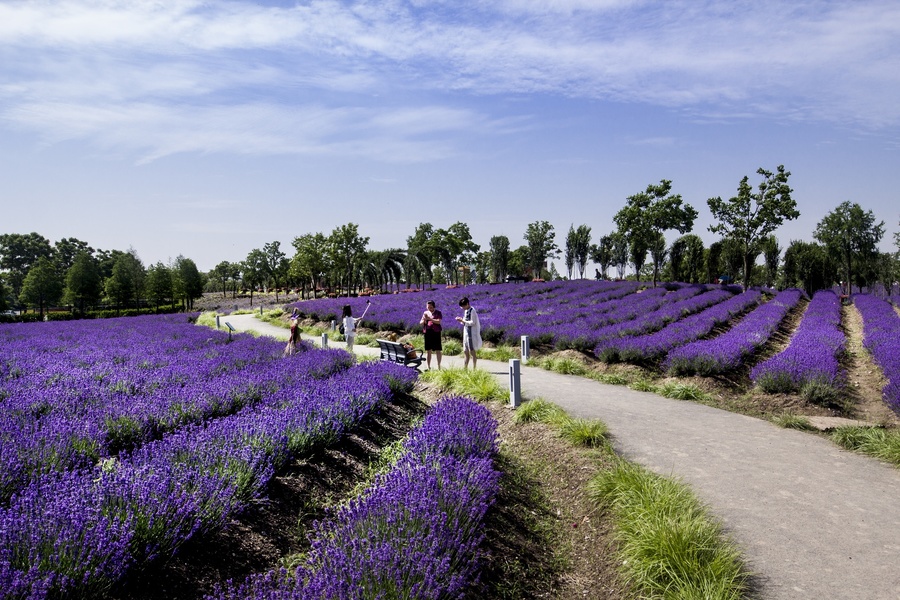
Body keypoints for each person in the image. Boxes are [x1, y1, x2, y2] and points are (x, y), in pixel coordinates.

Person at [455, 296, 482, 369]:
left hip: (471, 334)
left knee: (472, 351)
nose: (462, 308)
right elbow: (465, 322)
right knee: (465, 351)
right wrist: (461, 320)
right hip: (466, 332)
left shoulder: (472, 310)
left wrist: (463, 321)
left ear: (467, 304)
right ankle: (465, 368)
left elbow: (473, 322)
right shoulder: (466, 311)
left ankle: (474, 368)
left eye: (463, 306)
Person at [419, 300, 443, 370]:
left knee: (438, 349)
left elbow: (438, 322)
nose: (429, 308)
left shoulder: (438, 312)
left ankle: (439, 366)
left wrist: (430, 319)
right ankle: (428, 366)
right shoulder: (425, 313)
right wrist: (424, 320)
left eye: (431, 307)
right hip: (427, 332)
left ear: (433, 306)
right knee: (428, 350)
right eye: (428, 307)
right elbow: (421, 322)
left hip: (436, 332)